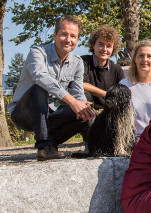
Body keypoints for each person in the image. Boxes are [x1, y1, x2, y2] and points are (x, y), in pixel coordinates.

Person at [7, 15, 95, 161]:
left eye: (73, 36)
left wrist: (83, 108)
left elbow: (78, 92)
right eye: (64, 34)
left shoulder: (77, 62)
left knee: (88, 116)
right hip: (24, 113)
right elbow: (40, 77)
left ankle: (50, 144)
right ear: (55, 35)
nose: (68, 39)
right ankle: (43, 146)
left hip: (50, 113)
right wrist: (72, 101)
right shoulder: (37, 52)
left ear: (77, 40)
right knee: (40, 88)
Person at [81, 25, 126, 110]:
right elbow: (81, 84)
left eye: (109, 46)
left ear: (113, 48)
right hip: (88, 110)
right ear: (93, 45)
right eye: (101, 44)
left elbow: (123, 92)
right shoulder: (83, 62)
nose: (104, 49)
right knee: (86, 95)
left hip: (109, 112)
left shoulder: (116, 69)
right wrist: (107, 94)